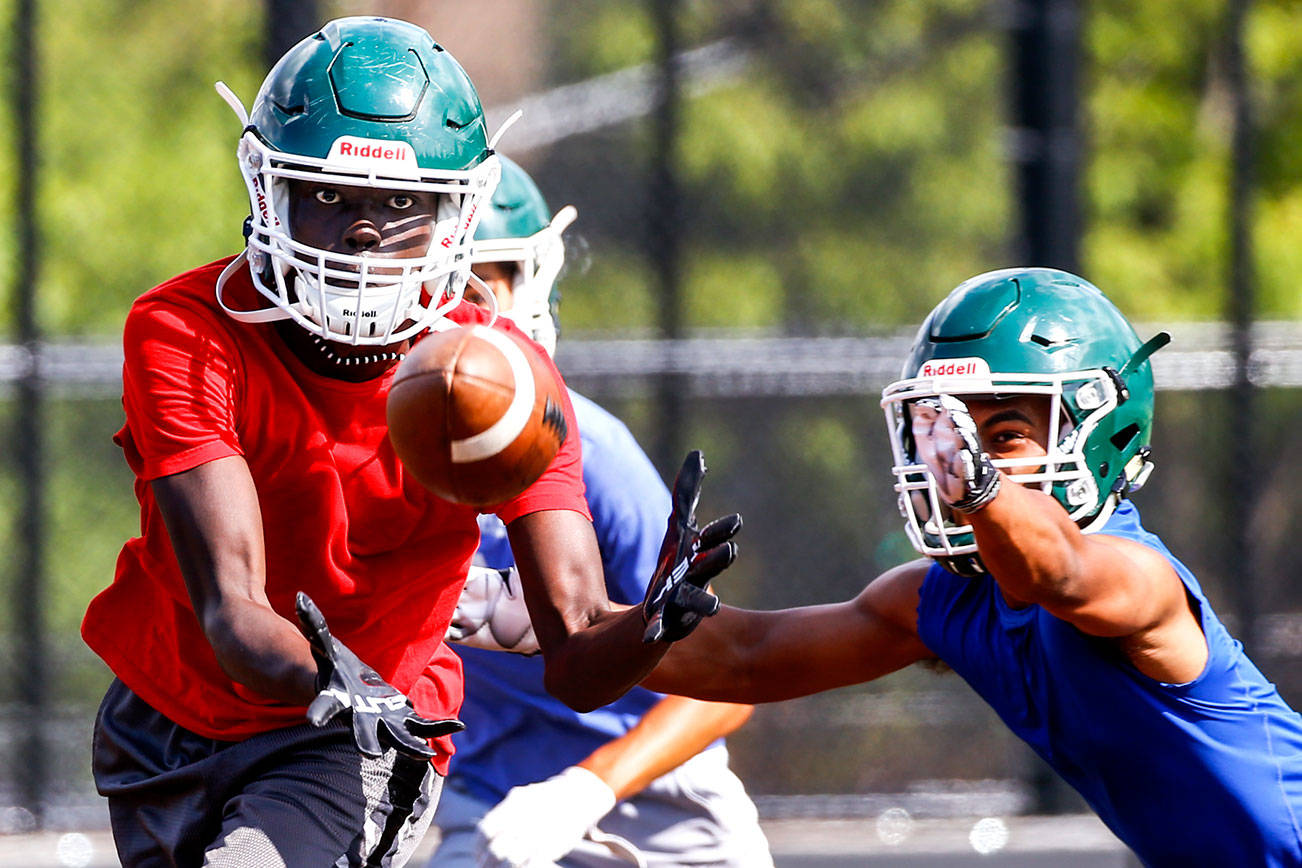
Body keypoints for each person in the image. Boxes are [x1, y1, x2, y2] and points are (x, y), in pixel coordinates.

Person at [80, 18, 735, 868]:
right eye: (328, 194)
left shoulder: (501, 377)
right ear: (267, 190)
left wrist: (652, 624)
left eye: (400, 204)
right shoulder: (187, 329)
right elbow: (236, 616)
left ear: (456, 213)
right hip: (169, 715)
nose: (362, 232)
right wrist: (334, 678)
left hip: (354, 738)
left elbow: (574, 652)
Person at [638, 267, 1302, 866]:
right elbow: (752, 655)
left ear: (1104, 434)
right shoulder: (947, 599)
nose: (960, 457)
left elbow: (1058, 572)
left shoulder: (1138, 578)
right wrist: (592, 624)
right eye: (947, 432)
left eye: (1004, 435)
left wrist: (981, 487)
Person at [426, 157, 773, 868]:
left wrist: (588, 788)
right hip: (483, 804)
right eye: (441, 285)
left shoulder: (592, 453)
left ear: (531, 284)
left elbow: (725, 687)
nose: (465, 314)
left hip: (653, 803)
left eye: (480, 283)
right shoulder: (363, 451)